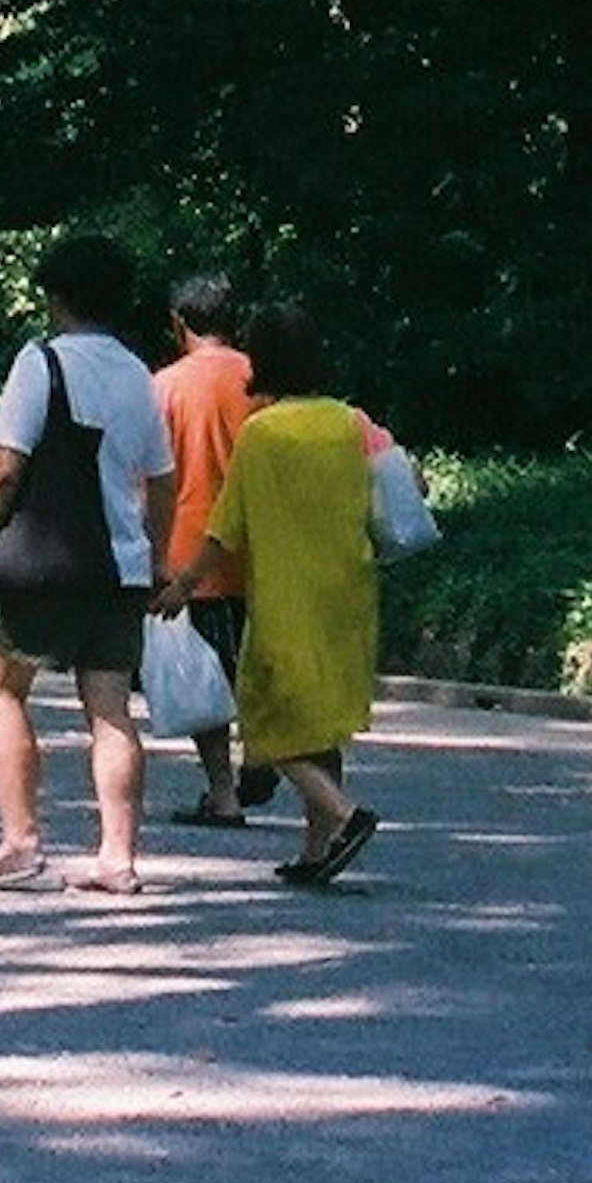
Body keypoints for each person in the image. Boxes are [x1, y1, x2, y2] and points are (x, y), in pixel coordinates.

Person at [0, 233, 176, 897]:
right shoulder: (139, 374)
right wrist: (159, 556)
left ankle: (20, 843)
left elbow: (6, 466)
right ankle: (118, 856)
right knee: (110, 709)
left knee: (2, 690)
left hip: (39, 561)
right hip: (118, 565)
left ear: (55, 296)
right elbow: (164, 480)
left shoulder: (41, 362)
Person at [163, 301, 385, 886]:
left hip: (286, 597)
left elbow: (224, 526)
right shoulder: (347, 421)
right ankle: (316, 851)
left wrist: (182, 585)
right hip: (349, 592)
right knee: (322, 723)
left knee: (265, 724)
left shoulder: (263, 434)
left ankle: (344, 815)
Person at [151, 274, 259, 829]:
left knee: (205, 682)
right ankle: (264, 752)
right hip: (262, 555)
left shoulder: (164, 387)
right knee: (258, 670)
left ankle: (224, 793)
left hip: (188, 556)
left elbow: (144, 476)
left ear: (179, 322)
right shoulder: (261, 379)